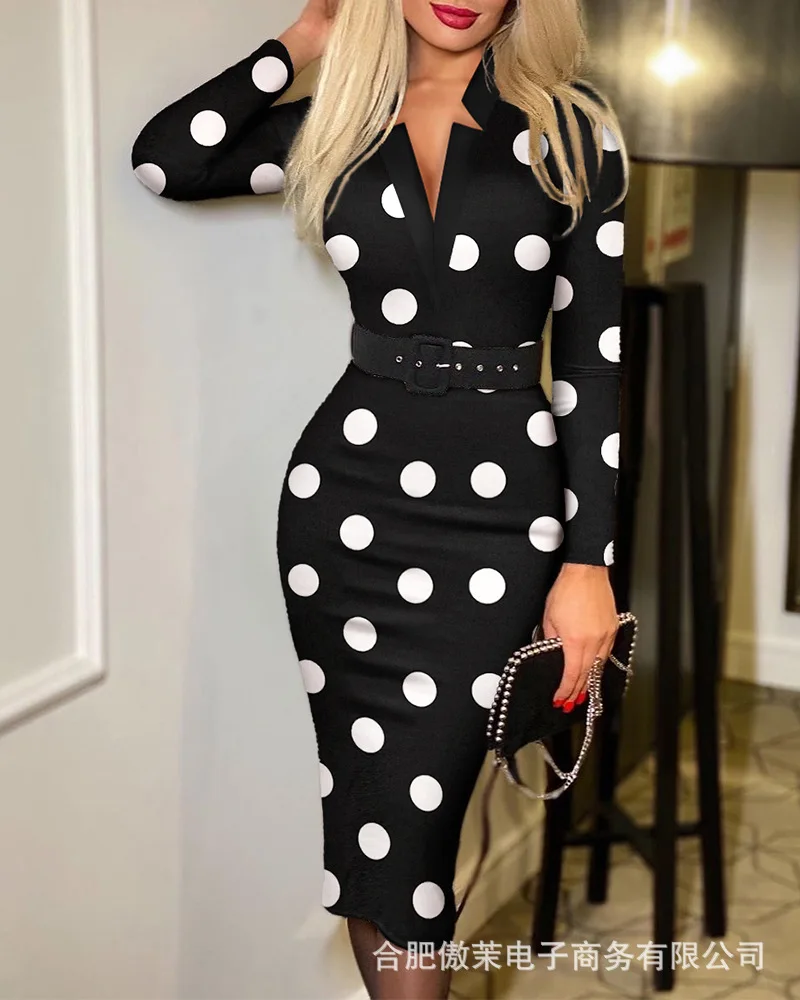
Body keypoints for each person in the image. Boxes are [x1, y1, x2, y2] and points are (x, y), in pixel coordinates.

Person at [131, 0, 629, 996]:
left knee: (416, 827)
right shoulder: (342, 120)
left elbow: (592, 361)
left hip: (501, 521)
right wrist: (309, 37)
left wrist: (589, 564)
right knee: (373, 824)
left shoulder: (574, 128)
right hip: (344, 510)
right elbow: (167, 160)